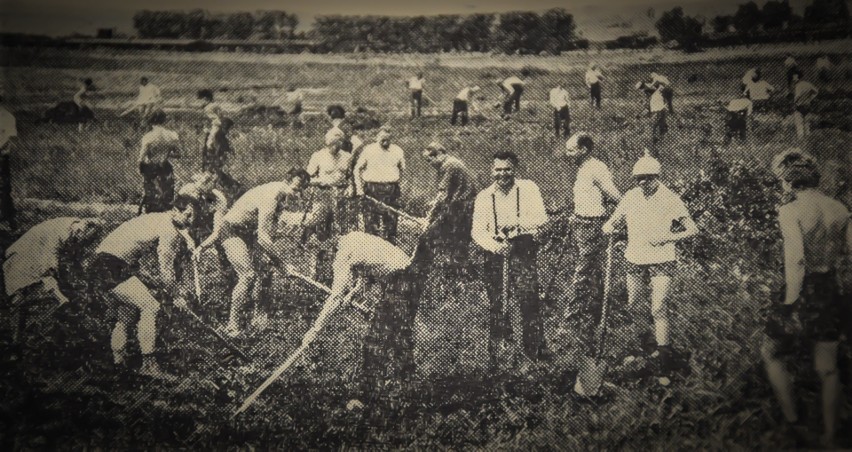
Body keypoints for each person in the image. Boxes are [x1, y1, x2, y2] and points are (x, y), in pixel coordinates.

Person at [761, 149, 850, 448]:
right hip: (830, 286)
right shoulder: (839, 208)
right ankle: (830, 436)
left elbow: (796, 261)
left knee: (772, 353)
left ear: (787, 182)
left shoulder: (790, 211)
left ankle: (794, 423)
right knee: (828, 367)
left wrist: (789, 303)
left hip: (803, 287)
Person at [602, 151, 698, 376]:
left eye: (648, 177)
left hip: (662, 258)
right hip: (634, 256)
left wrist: (668, 237)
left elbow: (692, 229)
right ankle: (648, 348)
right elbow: (611, 222)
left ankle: (665, 360)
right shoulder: (631, 196)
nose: (643, 182)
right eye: (639, 178)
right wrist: (609, 228)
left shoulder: (669, 198)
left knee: (658, 306)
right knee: (634, 304)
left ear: (658, 176)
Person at [193, 168, 312, 337]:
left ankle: (258, 317)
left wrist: (274, 261)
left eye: (300, 191)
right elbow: (264, 238)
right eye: (294, 189)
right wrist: (283, 264)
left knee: (264, 270)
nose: (296, 194)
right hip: (231, 231)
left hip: (249, 233)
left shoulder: (281, 196)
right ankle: (232, 327)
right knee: (247, 275)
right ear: (286, 182)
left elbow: (266, 234)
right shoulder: (271, 197)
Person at [88, 206, 198, 379]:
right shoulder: (168, 229)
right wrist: (177, 296)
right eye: (188, 215)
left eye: (194, 217)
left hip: (106, 262)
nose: (190, 221)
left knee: (127, 313)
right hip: (110, 265)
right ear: (176, 210)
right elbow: (166, 271)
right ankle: (149, 365)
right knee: (151, 306)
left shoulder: (159, 216)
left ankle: (119, 363)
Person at [471, 151, 548, 365]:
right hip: (495, 253)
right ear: (492, 170)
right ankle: (500, 353)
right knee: (497, 303)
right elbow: (477, 232)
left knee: (528, 299)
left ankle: (534, 352)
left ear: (515, 169)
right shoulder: (484, 197)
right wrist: (495, 247)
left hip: (523, 249)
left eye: (507, 169)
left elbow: (541, 219)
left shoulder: (529, 189)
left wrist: (517, 226)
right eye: (498, 169)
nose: (502, 174)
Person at [4, 217, 103, 342]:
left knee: (46, 294)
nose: (84, 242)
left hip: (38, 256)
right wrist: (64, 287)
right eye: (84, 239)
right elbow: (53, 264)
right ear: (79, 232)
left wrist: (80, 280)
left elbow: (75, 259)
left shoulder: (76, 231)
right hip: (26, 255)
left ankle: (22, 336)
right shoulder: (61, 233)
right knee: (21, 294)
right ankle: (18, 338)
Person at [561, 133, 621, 323]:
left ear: (584, 150)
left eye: (571, 150)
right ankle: (597, 310)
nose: (567, 154)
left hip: (593, 226)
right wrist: (576, 215)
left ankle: (573, 315)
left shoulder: (596, 168)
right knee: (592, 270)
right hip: (581, 224)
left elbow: (614, 196)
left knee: (583, 270)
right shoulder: (583, 168)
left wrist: (622, 217)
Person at [305, 127, 354, 283]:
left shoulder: (347, 157)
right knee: (320, 233)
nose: (336, 146)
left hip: (341, 199)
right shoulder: (318, 156)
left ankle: (338, 270)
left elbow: (352, 178)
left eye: (339, 143)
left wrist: (351, 188)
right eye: (333, 143)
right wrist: (321, 181)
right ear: (327, 143)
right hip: (322, 197)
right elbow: (307, 179)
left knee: (340, 233)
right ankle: (315, 271)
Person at [353, 129, 406, 243]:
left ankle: (391, 247)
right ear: (377, 138)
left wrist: (399, 185)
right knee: (371, 221)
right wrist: (359, 188)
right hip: (372, 188)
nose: (385, 142)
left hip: (391, 188)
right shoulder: (369, 150)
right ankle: (372, 248)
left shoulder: (397, 150)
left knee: (391, 220)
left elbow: (402, 169)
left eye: (387, 140)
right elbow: (357, 169)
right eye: (382, 139)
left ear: (391, 139)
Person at [138, 111, 180, 214]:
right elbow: (179, 154)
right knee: (166, 197)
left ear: (151, 122)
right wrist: (166, 155)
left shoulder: (148, 137)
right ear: (164, 120)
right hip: (166, 168)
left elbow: (141, 158)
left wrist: (141, 169)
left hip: (151, 169)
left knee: (152, 198)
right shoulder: (172, 135)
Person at [0, 97, 17, 231]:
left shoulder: (7, 117)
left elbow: (7, 140)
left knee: (4, 189)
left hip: (1, 157)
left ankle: (10, 220)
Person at [791, 71, 818, 139]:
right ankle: (808, 136)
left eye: (795, 77)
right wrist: (810, 98)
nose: (793, 79)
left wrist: (794, 103)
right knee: (807, 121)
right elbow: (816, 91)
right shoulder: (808, 84)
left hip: (799, 105)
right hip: (807, 104)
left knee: (799, 121)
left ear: (798, 77)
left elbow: (797, 96)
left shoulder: (798, 85)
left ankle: (801, 137)